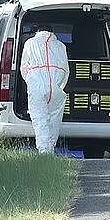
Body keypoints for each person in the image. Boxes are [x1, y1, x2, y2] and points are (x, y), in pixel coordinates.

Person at [19, 25, 70, 154]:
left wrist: (30, 82)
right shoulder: (61, 46)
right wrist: (59, 86)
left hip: (37, 86)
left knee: (40, 119)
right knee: (54, 120)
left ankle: (44, 152)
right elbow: (66, 70)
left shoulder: (30, 43)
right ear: (52, 32)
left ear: (37, 32)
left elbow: (24, 67)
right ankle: (50, 149)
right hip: (56, 88)